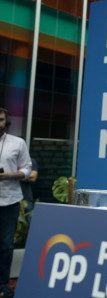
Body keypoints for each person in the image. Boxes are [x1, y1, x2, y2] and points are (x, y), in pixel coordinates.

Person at [0, 107, 32, 298]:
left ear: (7, 122)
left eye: (1, 119)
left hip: (9, 202)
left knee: (5, 245)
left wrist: (10, 175)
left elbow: (27, 169)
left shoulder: (18, 143)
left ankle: (3, 284)